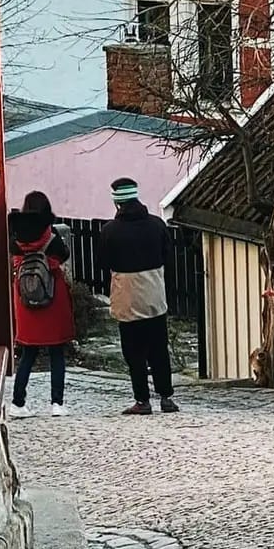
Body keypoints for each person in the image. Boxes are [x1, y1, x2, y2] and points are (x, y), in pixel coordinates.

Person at [101, 177, 178, 414]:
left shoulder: (110, 231)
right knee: (159, 349)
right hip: (154, 293)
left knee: (134, 352)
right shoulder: (156, 225)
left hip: (127, 295)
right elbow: (168, 257)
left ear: (117, 202)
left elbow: (104, 262)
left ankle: (142, 400)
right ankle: (166, 397)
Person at [9, 191, 75, 418]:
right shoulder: (51, 237)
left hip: (26, 299)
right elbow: (63, 255)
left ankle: (18, 403)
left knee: (28, 353)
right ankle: (57, 403)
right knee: (57, 352)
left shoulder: (16, 238)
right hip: (52, 298)